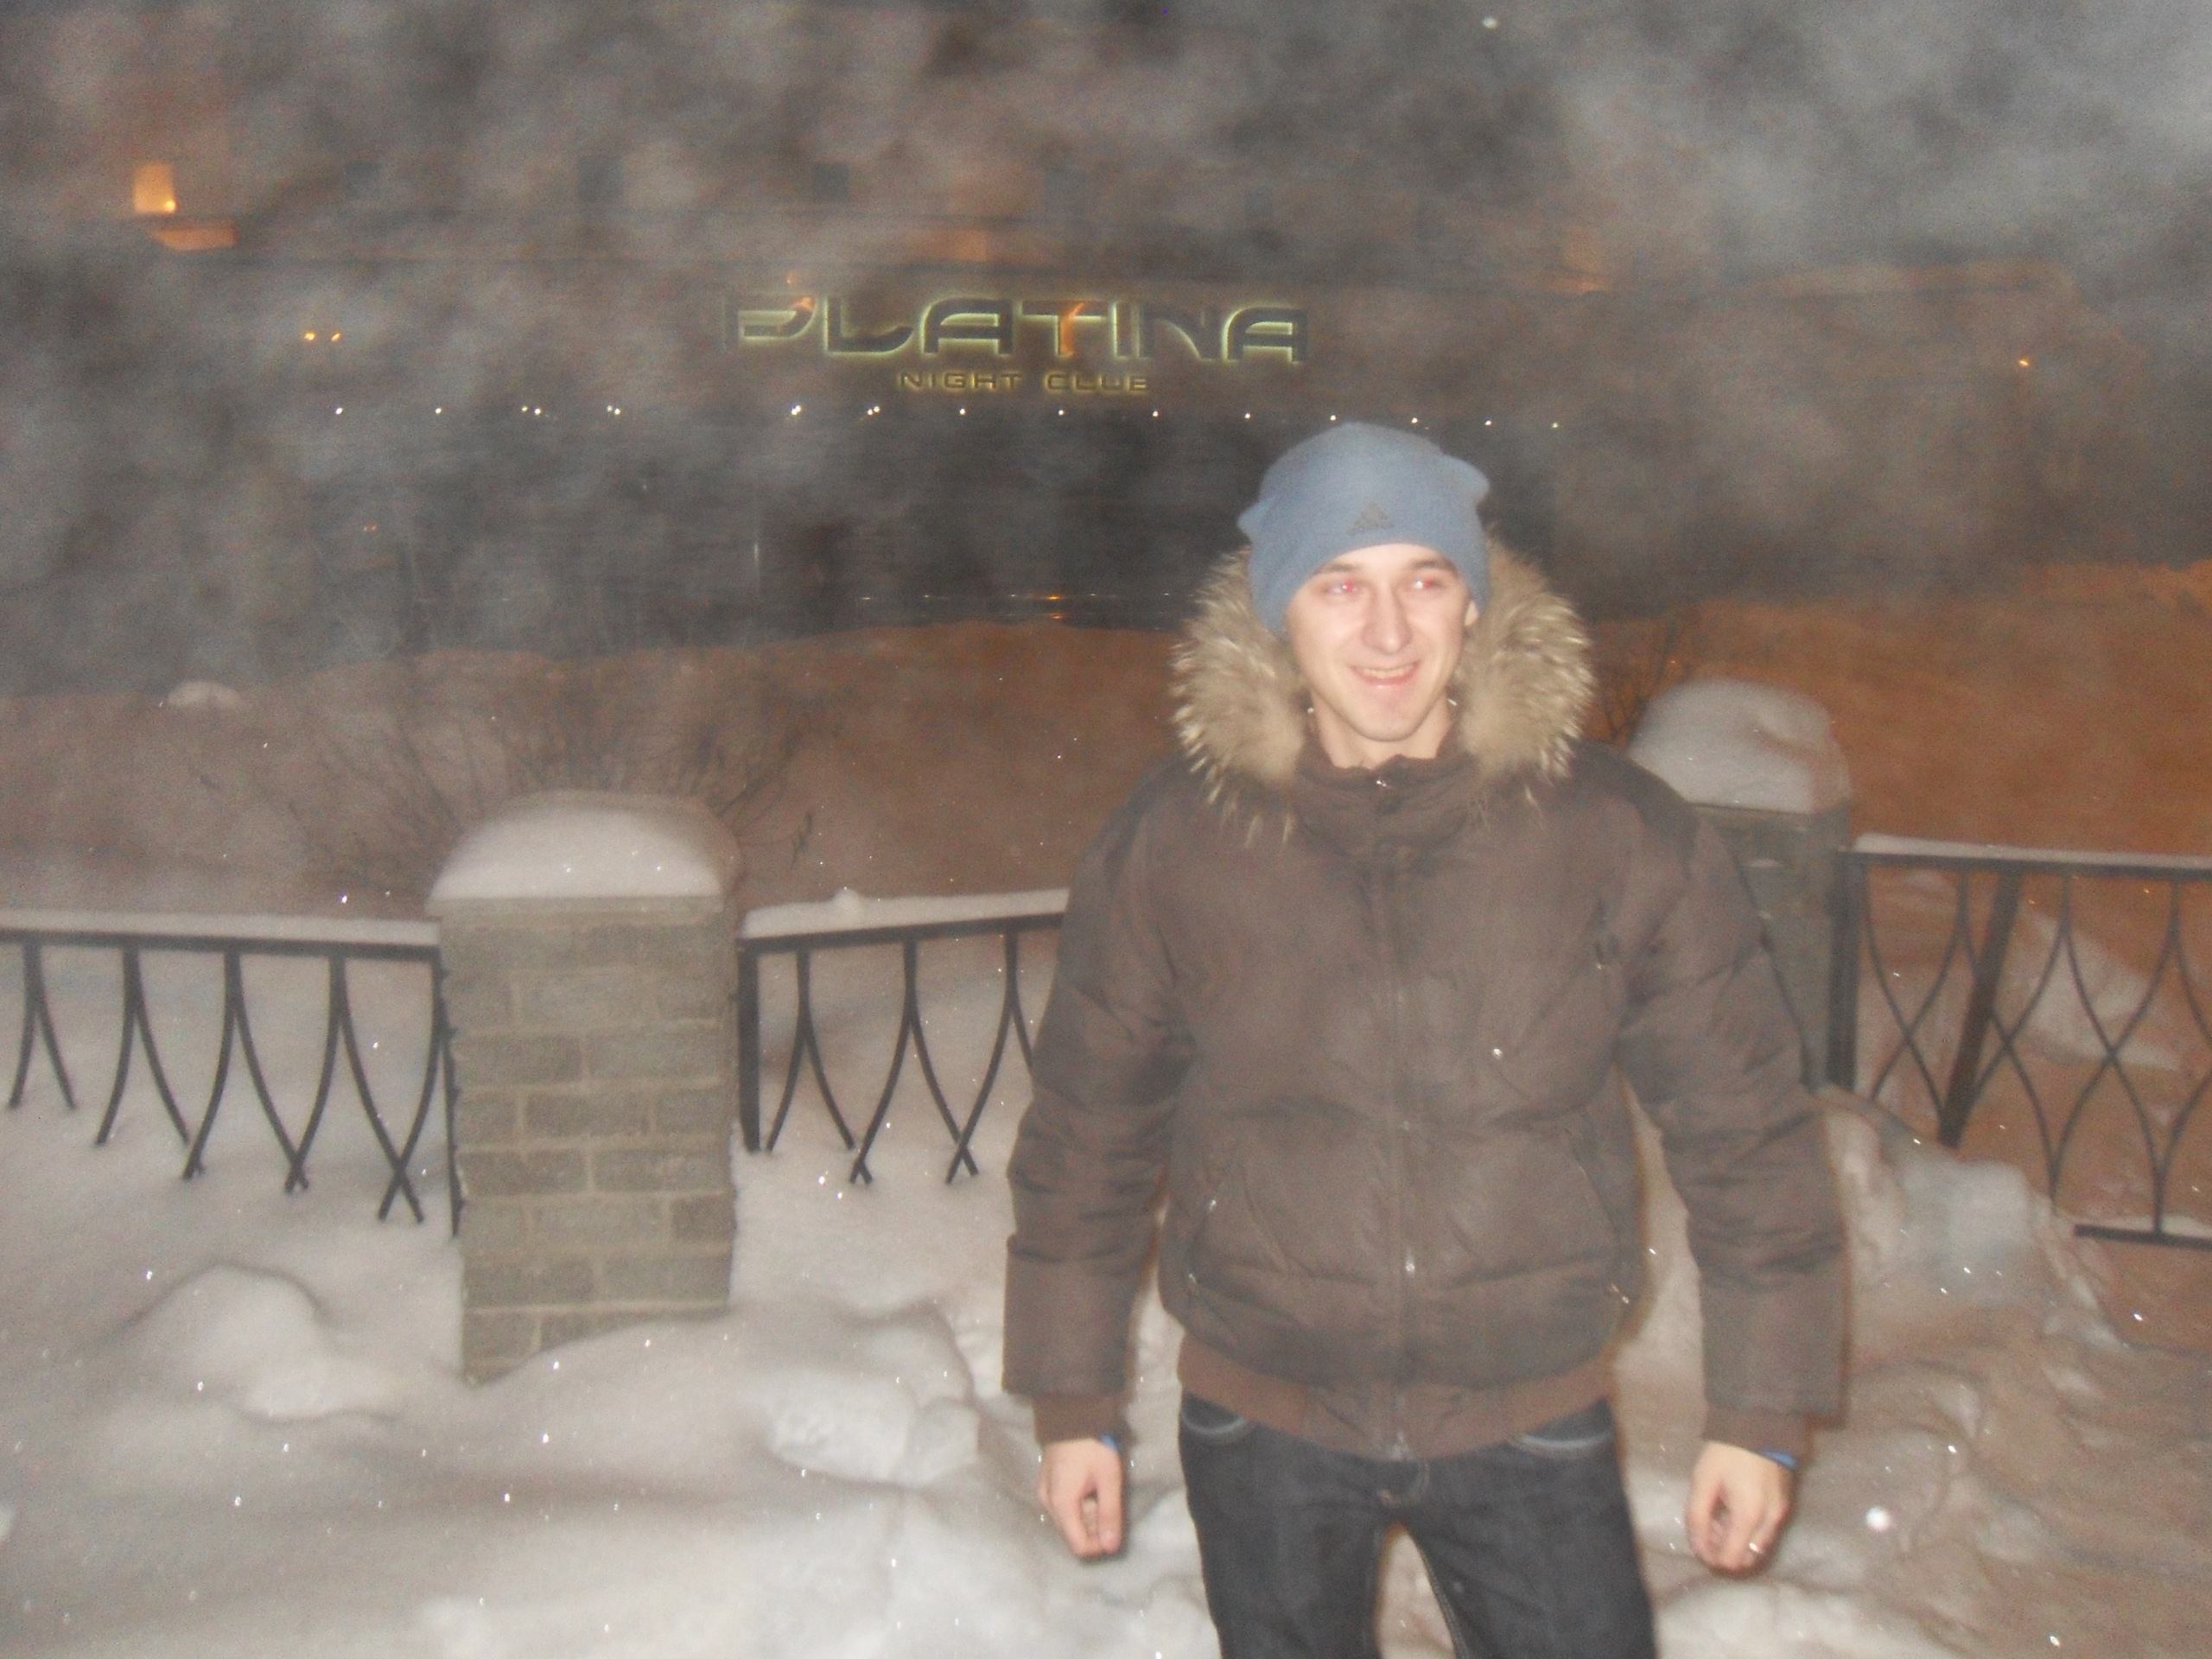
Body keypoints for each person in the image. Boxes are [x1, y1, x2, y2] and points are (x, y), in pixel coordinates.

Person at [1001, 422, 1846, 1658]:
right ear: (1279, 614)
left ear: (1475, 603)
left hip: (1528, 1417)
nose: (1389, 633)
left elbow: (1748, 1131)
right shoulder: (1181, 841)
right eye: (1341, 586)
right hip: (1262, 1420)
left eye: (1425, 580)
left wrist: (1760, 1411)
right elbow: (1089, 1133)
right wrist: (1072, 1402)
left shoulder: (1613, 834)